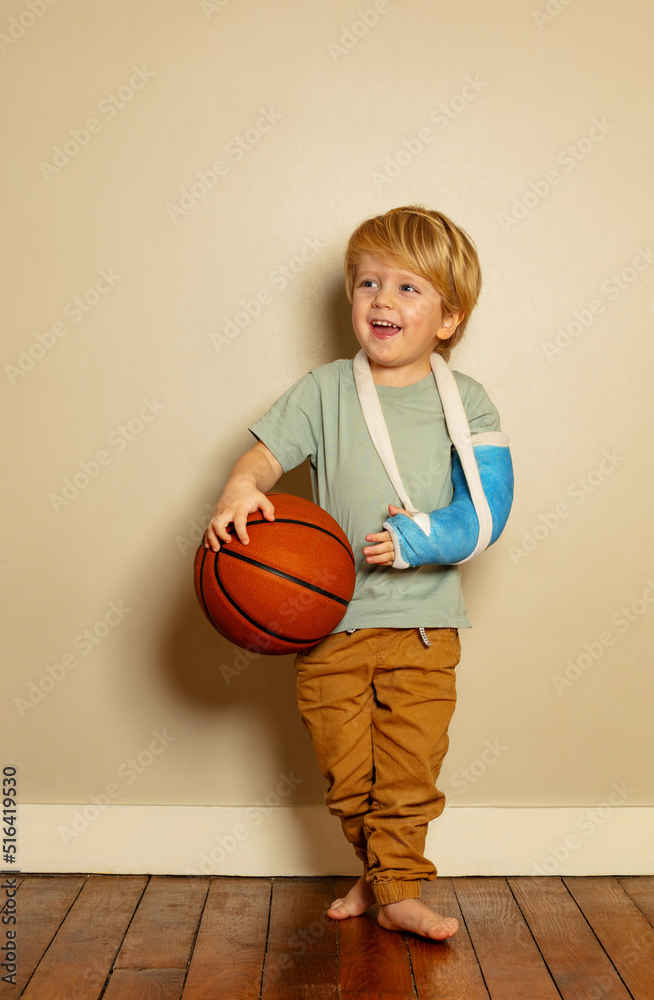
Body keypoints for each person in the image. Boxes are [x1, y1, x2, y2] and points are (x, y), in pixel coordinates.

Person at [204, 206, 511, 940]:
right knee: (349, 777)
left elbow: (489, 512)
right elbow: (264, 455)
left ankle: (398, 889)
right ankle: (380, 873)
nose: (382, 299)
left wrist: (422, 538)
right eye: (368, 282)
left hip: (423, 628)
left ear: (447, 317)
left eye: (409, 288)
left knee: (407, 772)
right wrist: (240, 486)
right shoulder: (322, 391)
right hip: (330, 625)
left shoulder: (464, 401)